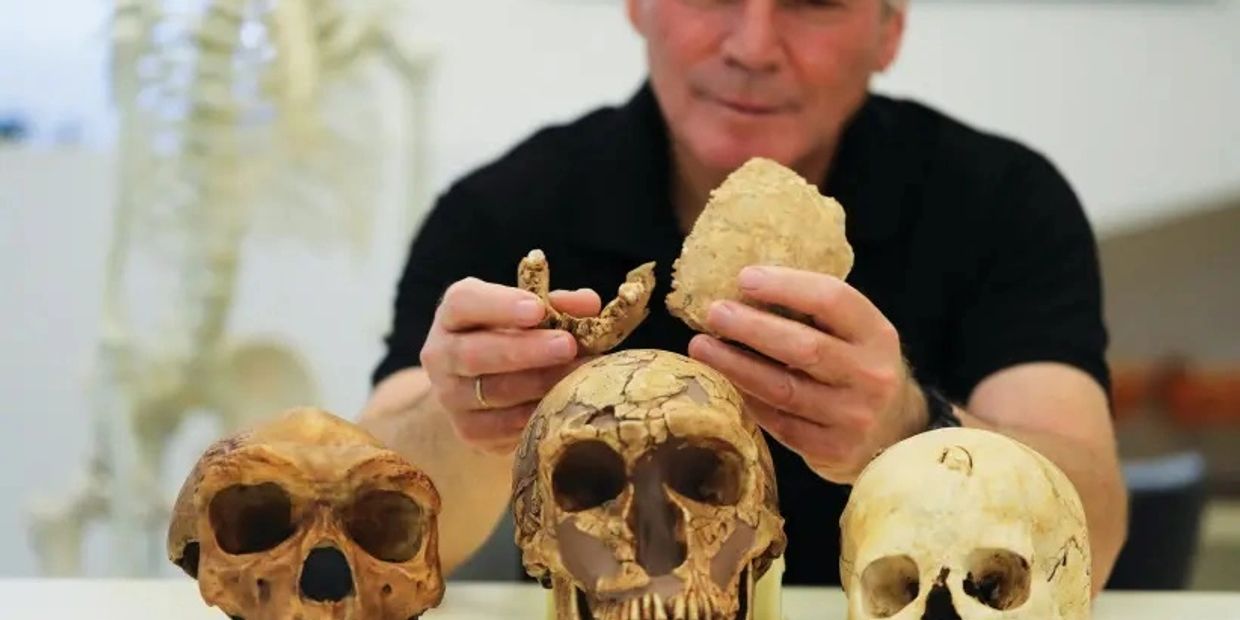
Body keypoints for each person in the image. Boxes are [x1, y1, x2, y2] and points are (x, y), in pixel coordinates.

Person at [358, 0, 1128, 591]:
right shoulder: (502, 212)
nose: (752, 48)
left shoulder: (1001, 204)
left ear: (889, 32)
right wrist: (473, 413)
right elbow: (368, 536)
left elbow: (1094, 527)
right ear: (638, 5)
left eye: (813, 2)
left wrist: (910, 427)